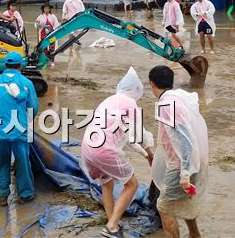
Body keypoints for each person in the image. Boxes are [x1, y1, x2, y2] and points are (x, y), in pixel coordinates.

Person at [81, 67, 154, 238]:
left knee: (107, 183)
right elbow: (140, 134)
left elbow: (130, 140)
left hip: (87, 148)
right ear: (136, 91)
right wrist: (151, 154)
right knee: (132, 184)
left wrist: (145, 155)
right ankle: (112, 226)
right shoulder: (130, 104)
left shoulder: (109, 101)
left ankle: (111, 221)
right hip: (104, 149)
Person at [148, 65, 209, 238]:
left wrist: (185, 173)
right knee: (184, 200)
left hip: (181, 162)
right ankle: (194, 234)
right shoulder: (180, 96)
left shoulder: (167, 104)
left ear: (152, 84)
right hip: (193, 159)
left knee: (164, 206)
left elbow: (185, 137)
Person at [0, 52, 39, 206]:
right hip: (19, 130)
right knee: (23, 162)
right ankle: (25, 194)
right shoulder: (26, 83)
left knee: (0, 163)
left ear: (5, 65)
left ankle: (1, 196)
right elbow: (33, 108)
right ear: (20, 65)